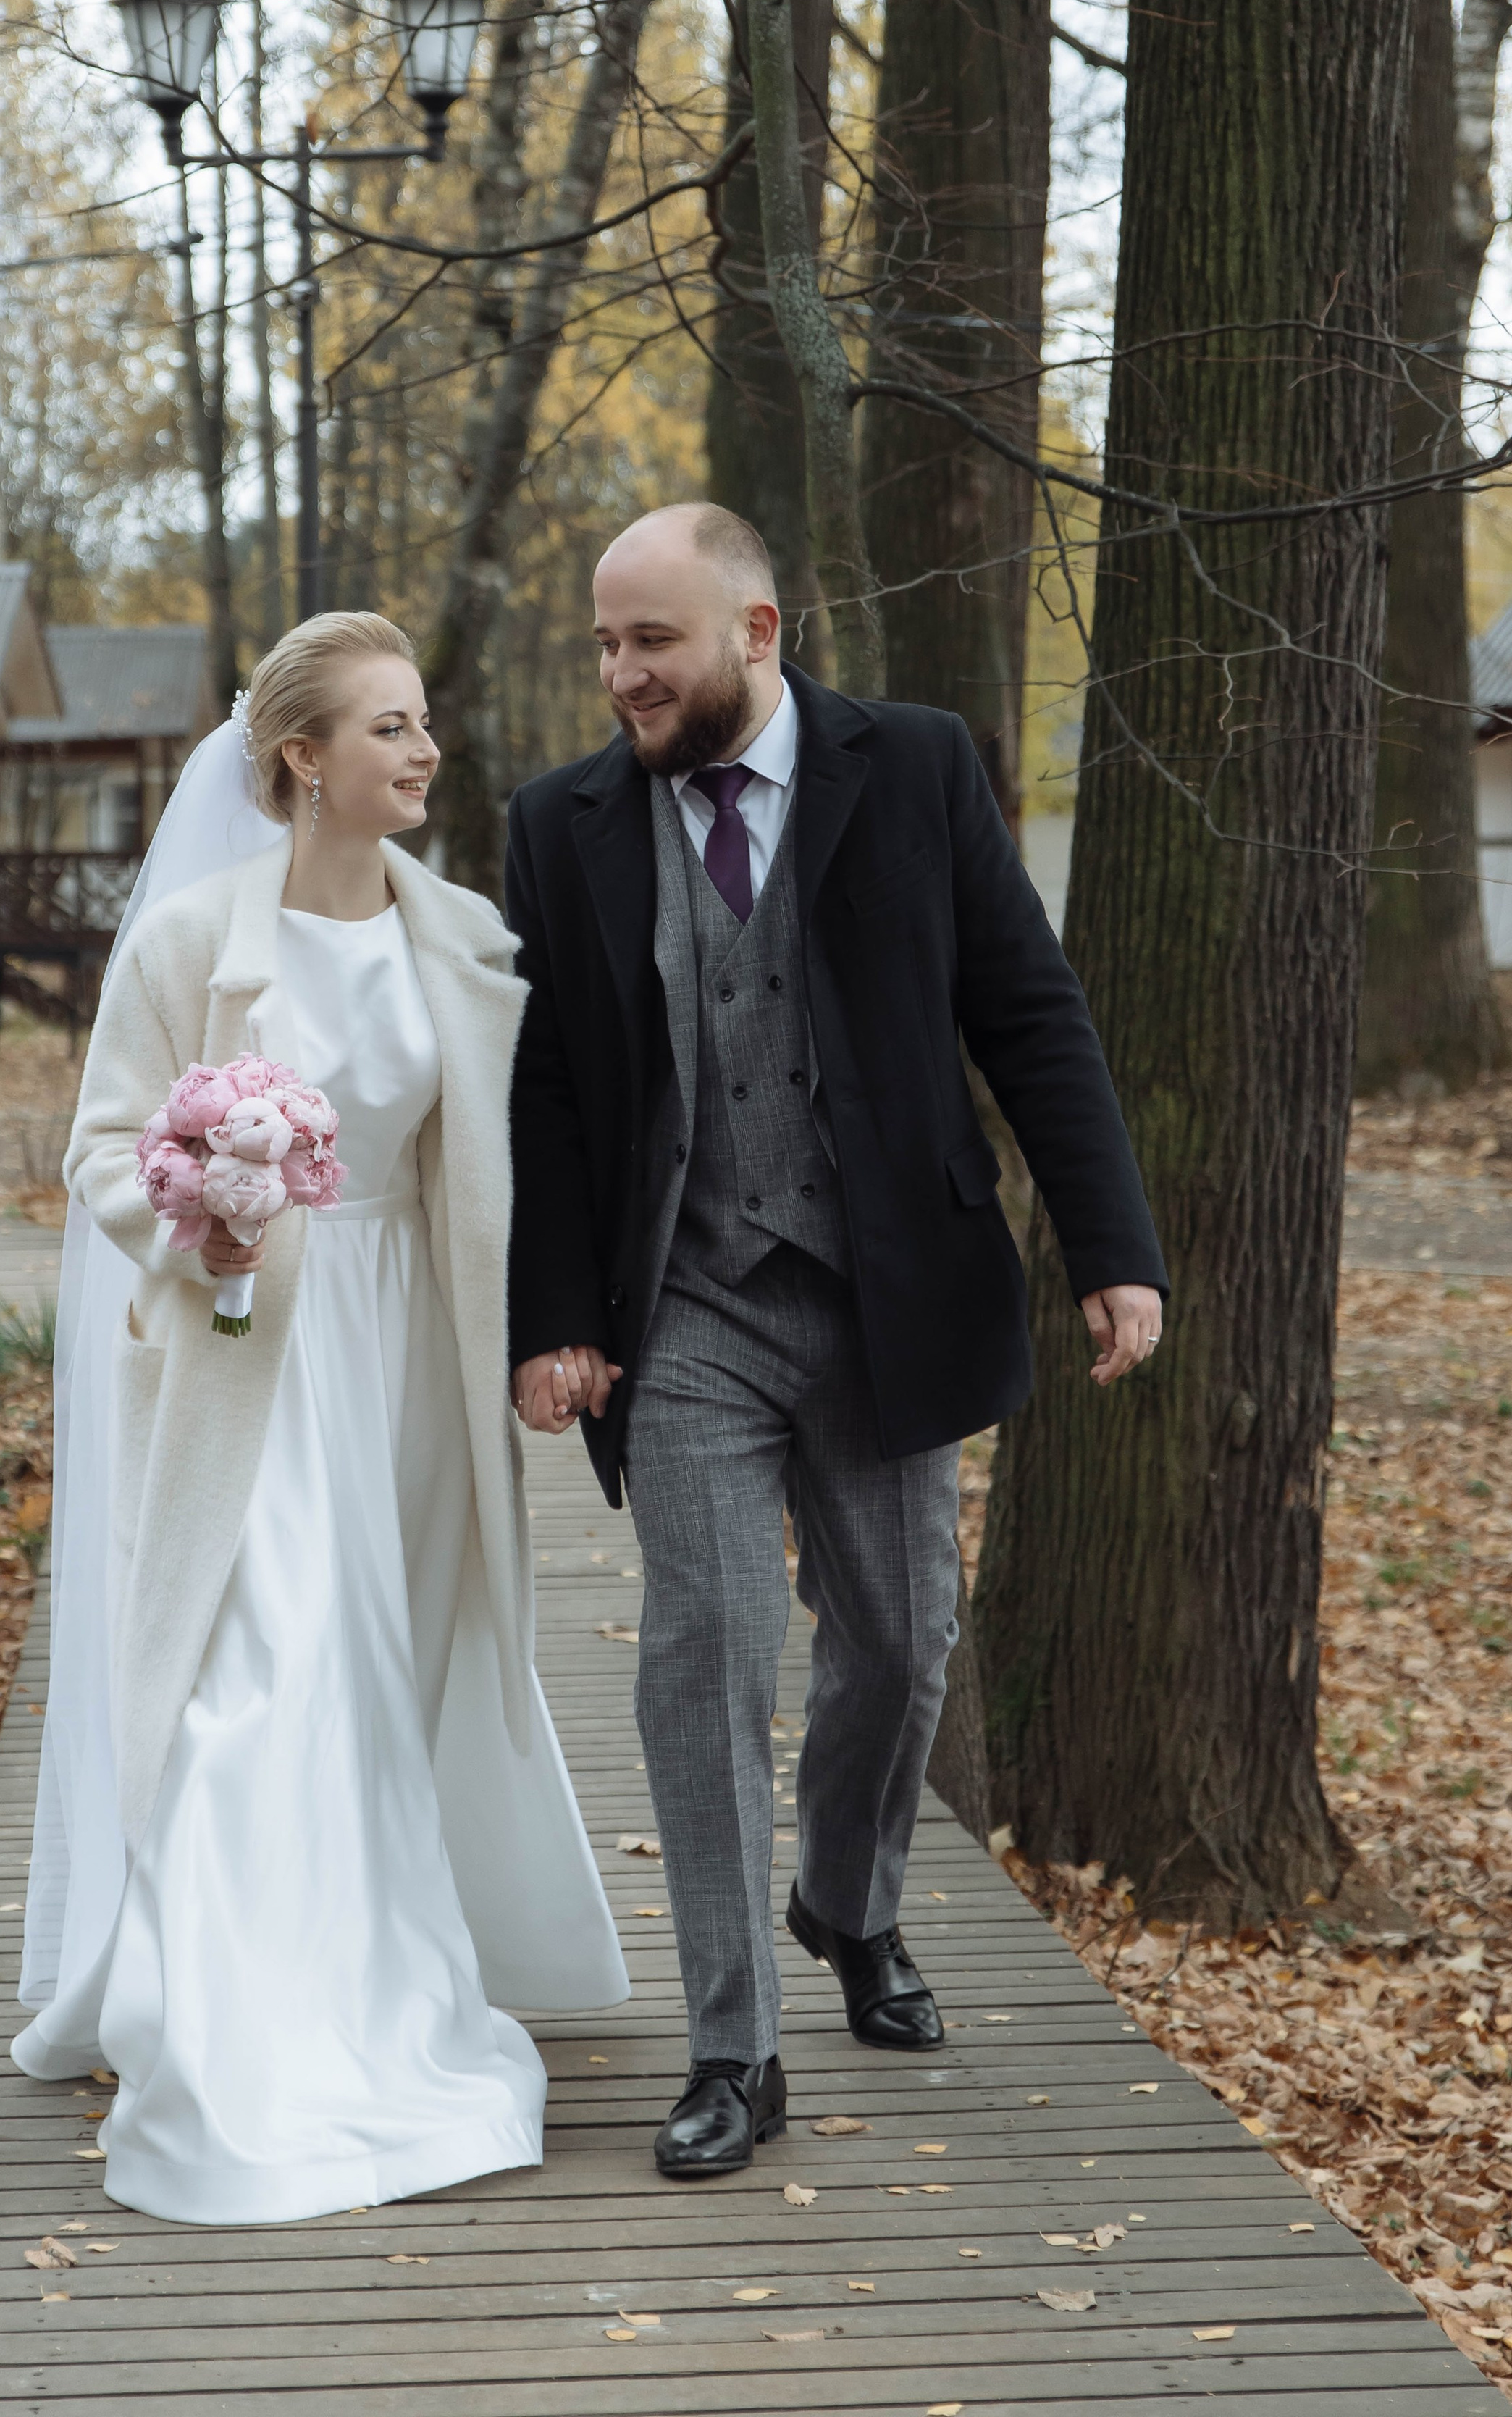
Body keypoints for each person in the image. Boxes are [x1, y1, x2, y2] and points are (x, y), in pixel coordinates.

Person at [504, 504, 1166, 2180]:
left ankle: (848, 1904)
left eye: (648, 640)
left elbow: (1027, 1006)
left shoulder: (918, 768)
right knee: (704, 1648)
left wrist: (1111, 1246)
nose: (619, 674)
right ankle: (733, 2043)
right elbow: (557, 1095)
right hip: (689, 1309)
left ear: (754, 627)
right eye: (601, 643)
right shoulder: (561, 823)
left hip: (883, 1295)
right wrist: (559, 1319)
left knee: (900, 1639)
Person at [12, 611, 627, 2225]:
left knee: (375, 1663)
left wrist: (539, 1336)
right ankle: (224, 2035)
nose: (422, 751)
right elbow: (100, 1151)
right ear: (300, 760)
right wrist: (198, 1212)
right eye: (387, 729)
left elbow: (502, 1158)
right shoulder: (189, 942)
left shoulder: (465, 941)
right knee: (255, 1671)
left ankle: (380, 1984)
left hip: (408, 1352)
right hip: (249, 1353)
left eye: (421, 724)